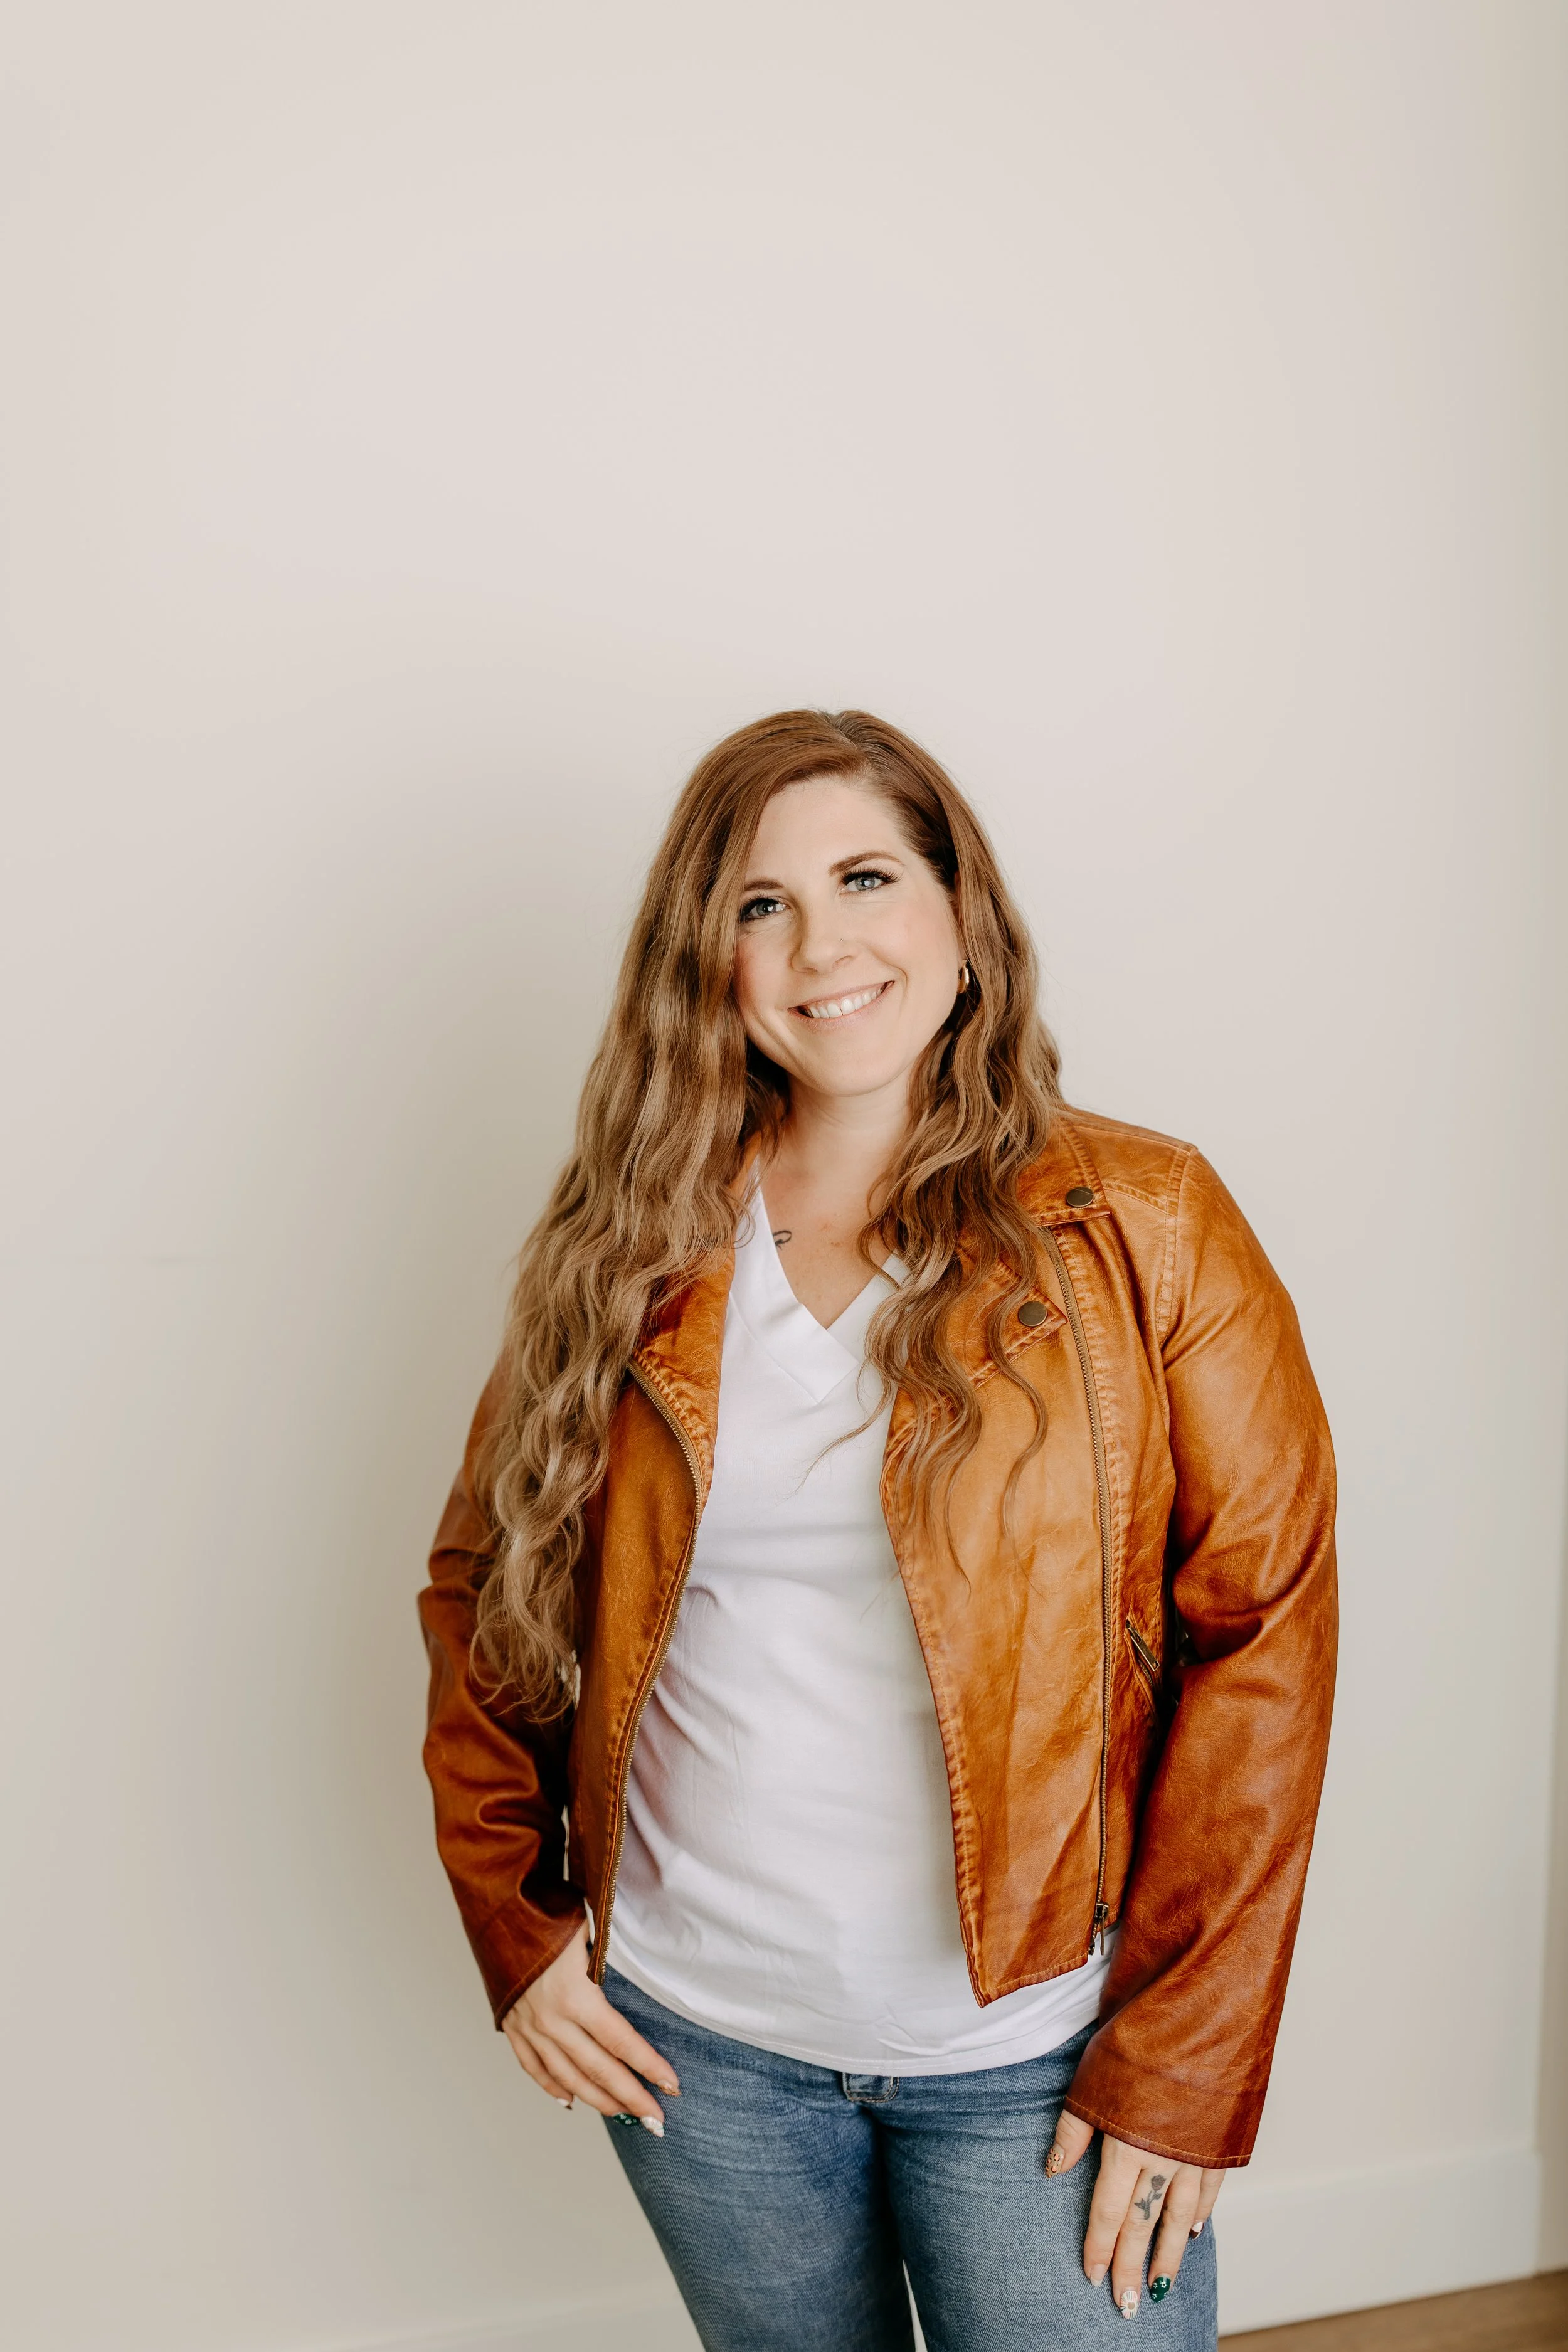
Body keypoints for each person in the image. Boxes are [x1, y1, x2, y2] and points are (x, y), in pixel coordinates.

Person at [417, 709, 1338, 2351]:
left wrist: (1185, 2055)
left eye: (864, 876)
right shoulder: (623, 1239)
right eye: (759, 903)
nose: (819, 941)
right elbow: (485, 1582)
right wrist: (519, 1922)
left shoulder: (1142, 1220)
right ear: (704, 954)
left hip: (1041, 2052)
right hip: (702, 2046)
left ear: (960, 916)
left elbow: (1261, 1627)